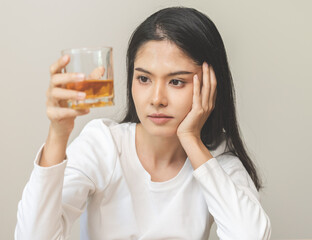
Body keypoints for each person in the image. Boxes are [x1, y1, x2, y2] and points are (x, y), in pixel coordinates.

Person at [15, 7, 271, 240]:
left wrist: (191, 139)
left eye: (176, 82)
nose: (157, 99)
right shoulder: (105, 144)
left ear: (209, 86)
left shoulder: (217, 161)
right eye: (144, 79)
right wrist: (58, 134)